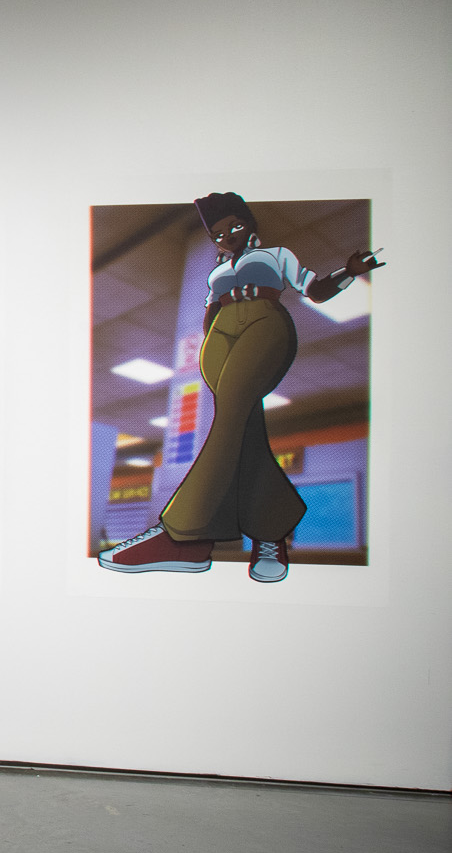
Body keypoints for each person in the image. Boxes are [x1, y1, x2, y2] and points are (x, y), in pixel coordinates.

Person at [102, 193, 382, 582]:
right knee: (241, 427)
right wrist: (210, 341)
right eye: (218, 233)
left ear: (250, 224)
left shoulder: (277, 255)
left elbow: (315, 290)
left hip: (264, 323)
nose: (228, 236)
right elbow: (210, 311)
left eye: (234, 226)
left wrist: (349, 271)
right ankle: (271, 535)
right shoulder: (217, 271)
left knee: (230, 419)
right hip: (220, 339)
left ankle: (183, 539)